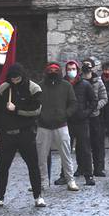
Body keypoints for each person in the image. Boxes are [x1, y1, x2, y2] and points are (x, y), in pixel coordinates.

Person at [0, 63, 46, 208]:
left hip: (25, 134)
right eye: (12, 78)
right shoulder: (3, 89)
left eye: (17, 78)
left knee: (33, 166)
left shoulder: (34, 88)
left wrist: (16, 109)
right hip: (7, 135)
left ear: (22, 76)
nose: (15, 81)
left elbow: (36, 110)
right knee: (2, 167)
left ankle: (38, 197)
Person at [37, 62, 79, 191]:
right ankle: (43, 182)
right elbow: (34, 104)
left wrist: (65, 115)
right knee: (41, 157)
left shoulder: (66, 86)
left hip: (61, 125)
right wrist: (39, 117)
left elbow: (73, 103)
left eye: (55, 70)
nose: (53, 73)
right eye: (50, 71)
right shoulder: (39, 87)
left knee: (66, 155)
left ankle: (70, 180)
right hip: (43, 126)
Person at [56, 60, 97, 187]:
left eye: (73, 68)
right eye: (69, 69)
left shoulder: (85, 84)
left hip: (81, 121)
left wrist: (86, 113)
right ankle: (64, 175)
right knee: (65, 149)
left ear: (77, 70)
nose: (71, 71)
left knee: (85, 149)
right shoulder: (61, 84)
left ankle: (88, 175)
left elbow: (93, 101)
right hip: (66, 121)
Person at [81, 59, 108, 177]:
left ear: (92, 67)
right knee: (82, 144)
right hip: (82, 116)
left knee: (97, 143)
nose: (86, 67)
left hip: (94, 116)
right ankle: (82, 167)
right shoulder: (79, 81)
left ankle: (98, 168)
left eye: (88, 65)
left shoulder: (98, 82)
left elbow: (104, 98)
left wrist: (96, 106)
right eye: (84, 65)